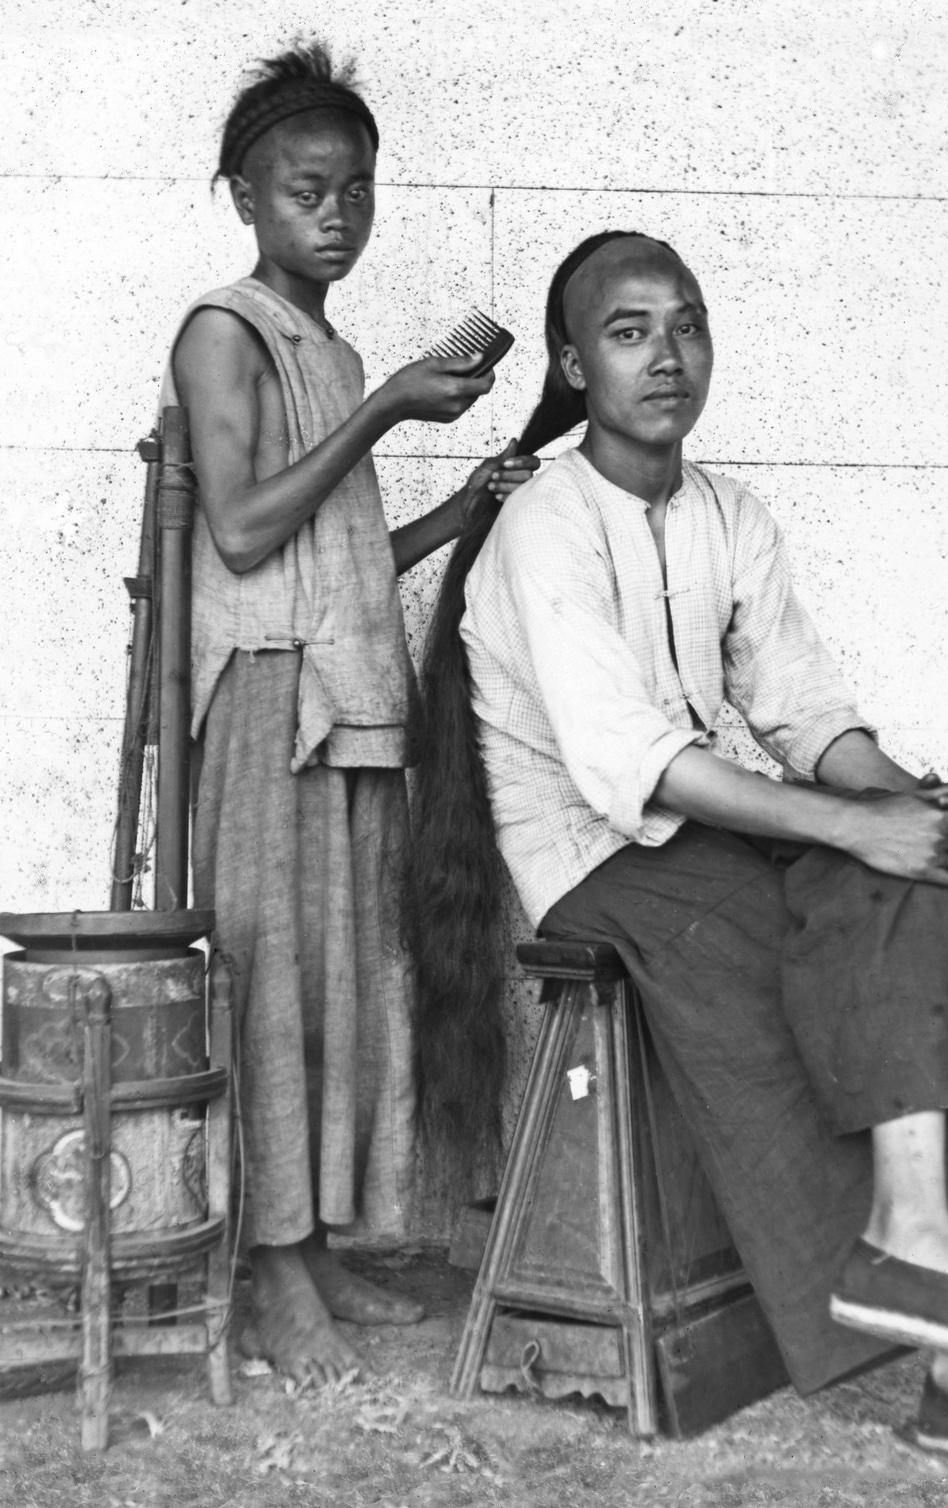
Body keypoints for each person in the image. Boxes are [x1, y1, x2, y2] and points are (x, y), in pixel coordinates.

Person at [412, 231, 948, 1472]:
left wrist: (906, 804)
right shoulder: (544, 528)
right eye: (628, 331)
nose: (665, 355)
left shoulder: (730, 511)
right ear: (573, 360)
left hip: (704, 818)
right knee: (831, 924)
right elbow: (630, 762)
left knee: (907, 880)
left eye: (687, 325)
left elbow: (802, 709)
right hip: (591, 850)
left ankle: (919, 1248)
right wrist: (853, 825)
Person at [162, 42, 537, 1387]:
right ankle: (264, 1275)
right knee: (267, 989)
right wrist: (386, 410)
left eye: (356, 190)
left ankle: (308, 1246)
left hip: (347, 706)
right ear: (244, 197)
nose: (336, 213)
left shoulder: (334, 343)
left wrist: (468, 503)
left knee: (335, 994)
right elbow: (248, 532)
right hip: (269, 705)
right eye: (306, 189)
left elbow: (342, 559)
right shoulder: (224, 329)